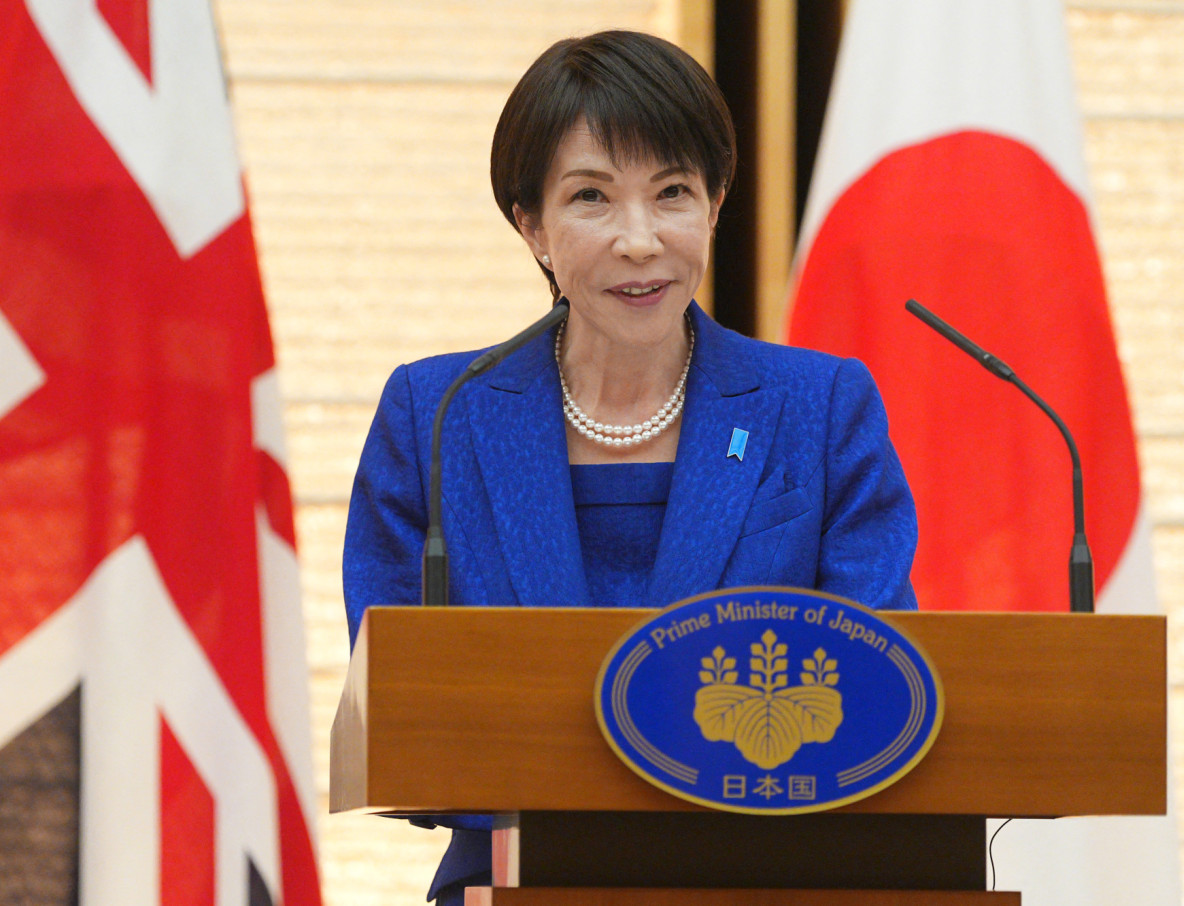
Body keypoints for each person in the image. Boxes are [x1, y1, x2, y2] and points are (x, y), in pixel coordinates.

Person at [342, 29, 918, 905]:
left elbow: (879, 667)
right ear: (531, 225)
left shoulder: (820, 407)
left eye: (673, 192)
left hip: (768, 882)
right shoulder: (440, 414)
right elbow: (401, 700)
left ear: (717, 204)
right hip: (509, 884)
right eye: (592, 198)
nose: (641, 240)